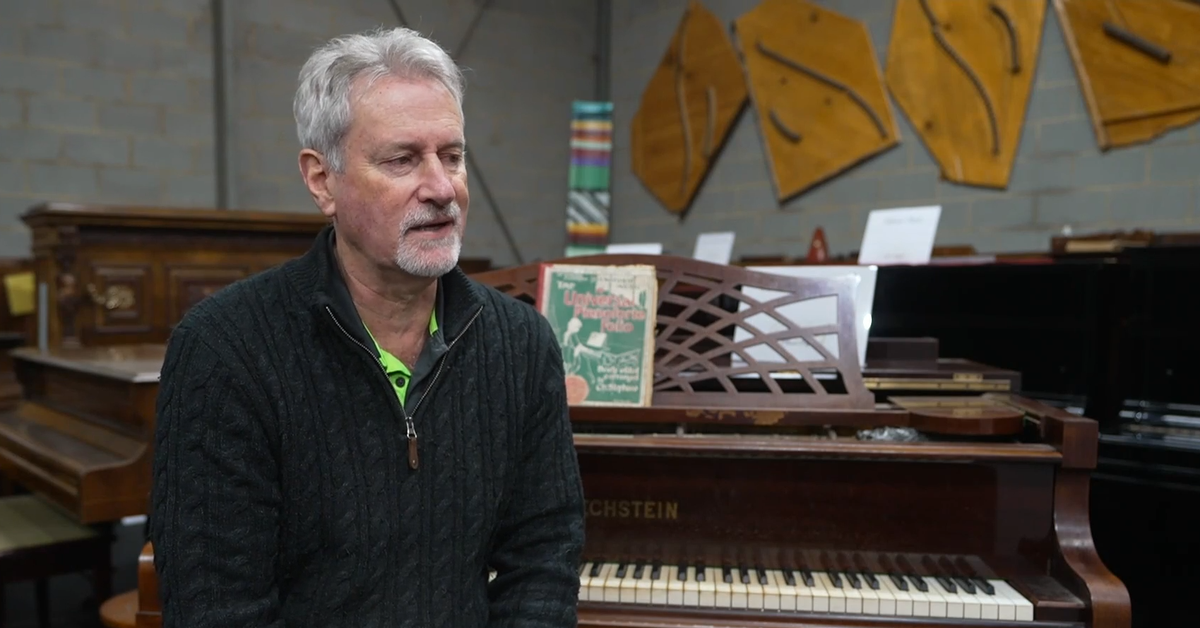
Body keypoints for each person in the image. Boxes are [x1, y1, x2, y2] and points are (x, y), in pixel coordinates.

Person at [148, 26, 585, 628]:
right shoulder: (224, 350)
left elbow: (542, 561)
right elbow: (217, 609)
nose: (442, 189)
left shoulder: (522, 343)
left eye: (452, 156)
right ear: (321, 180)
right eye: (402, 159)